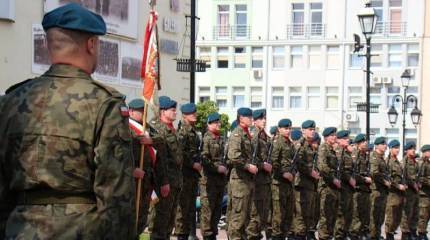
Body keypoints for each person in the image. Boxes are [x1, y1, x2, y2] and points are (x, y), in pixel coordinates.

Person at [0, 3, 136, 239]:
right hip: (81, 229)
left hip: (19, 230)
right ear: (92, 44)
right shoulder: (104, 104)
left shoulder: (10, 101)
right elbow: (116, 196)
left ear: (47, 45)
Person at [147, 96, 183, 240]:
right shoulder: (157, 128)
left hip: (175, 181)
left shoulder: (172, 129)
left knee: (169, 223)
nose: (175, 113)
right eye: (172, 110)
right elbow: (159, 159)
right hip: (164, 182)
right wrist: (163, 182)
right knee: (159, 224)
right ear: (163, 112)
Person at [128, 98, 164, 234]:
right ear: (131, 111)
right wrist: (131, 170)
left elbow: (162, 141)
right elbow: (119, 154)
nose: (143, 114)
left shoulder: (147, 128)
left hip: (147, 178)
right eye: (140, 111)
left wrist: (151, 140)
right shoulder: (126, 128)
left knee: (142, 216)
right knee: (132, 216)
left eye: (144, 111)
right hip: (132, 180)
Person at [227, 107, 257, 240]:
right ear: (241, 118)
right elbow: (233, 155)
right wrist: (247, 166)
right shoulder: (237, 134)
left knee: (246, 217)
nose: (251, 119)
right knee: (238, 218)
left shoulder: (246, 134)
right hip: (240, 181)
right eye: (249, 117)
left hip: (247, 181)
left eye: (251, 117)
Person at [175, 103, 201, 240]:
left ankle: (187, 235)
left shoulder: (192, 131)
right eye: (192, 113)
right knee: (182, 211)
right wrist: (192, 164)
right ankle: (181, 236)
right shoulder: (182, 132)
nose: (195, 115)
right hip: (185, 175)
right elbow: (180, 153)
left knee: (190, 210)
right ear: (184, 115)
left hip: (192, 176)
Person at [200, 113, 228, 240]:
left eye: (219, 122)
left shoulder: (220, 138)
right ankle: (207, 236)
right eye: (215, 122)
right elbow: (204, 159)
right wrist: (217, 168)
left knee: (216, 212)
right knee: (208, 213)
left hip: (219, 182)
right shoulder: (206, 139)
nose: (218, 124)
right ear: (209, 124)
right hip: (209, 182)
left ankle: (213, 235)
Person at [292, 120, 320, 240]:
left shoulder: (310, 146)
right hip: (301, 185)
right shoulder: (300, 145)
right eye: (310, 129)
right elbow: (297, 162)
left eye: (313, 129)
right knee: (301, 217)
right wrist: (311, 172)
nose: (312, 132)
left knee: (308, 216)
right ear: (303, 131)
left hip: (310, 185)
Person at [247, 109, 273, 240]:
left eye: (265, 118)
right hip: (256, 180)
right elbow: (250, 157)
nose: (264, 121)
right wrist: (263, 165)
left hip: (265, 181)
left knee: (263, 214)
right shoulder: (253, 136)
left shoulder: (265, 137)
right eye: (261, 118)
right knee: (255, 215)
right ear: (255, 121)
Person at [270, 119, 295, 240]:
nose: (288, 130)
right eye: (286, 128)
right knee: (278, 217)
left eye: (290, 128)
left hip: (288, 184)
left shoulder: (289, 143)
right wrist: (283, 173)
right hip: (278, 183)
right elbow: (273, 162)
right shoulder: (277, 142)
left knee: (288, 216)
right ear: (279, 129)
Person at [318, 127, 340, 240]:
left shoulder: (332, 150)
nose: (334, 137)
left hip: (333, 188)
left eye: (335, 135)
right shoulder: (323, 148)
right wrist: (333, 179)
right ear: (326, 137)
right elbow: (322, 167)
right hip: (326, 187)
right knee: (325, 217)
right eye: (332, 135)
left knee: (332, 217)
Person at [350, 134, 372, 240]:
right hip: (357, 189)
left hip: (366, 189)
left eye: (366, 141)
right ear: (358, 144)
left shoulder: (366, 155)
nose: (365, 143)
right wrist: (364, 179)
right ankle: (354, 235)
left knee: (365, 214)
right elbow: (353, 173)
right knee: (356, 215)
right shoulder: (354, 155)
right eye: (363, 142)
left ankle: (361, 233)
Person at [334, 131, 356, 240]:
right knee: (340, 214)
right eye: (345, 137)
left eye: (348, 137)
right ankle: (338, 236)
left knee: (348, 213)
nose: (348, 139)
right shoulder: (338, 151)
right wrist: (349, 179)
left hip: (348, 188)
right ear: (339, 139)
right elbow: (340, 170)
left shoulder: (345, 152)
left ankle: (343, 234)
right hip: (341, 187)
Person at [384, 140, 406, 240]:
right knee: (391, 217)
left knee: (398, 218)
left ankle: (392, 232)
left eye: (398, 148)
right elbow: (387, 178)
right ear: (391, 148)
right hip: (392, 194)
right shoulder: (387, 161)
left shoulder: (398, 162)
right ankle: (389, 235)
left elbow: (401, 176)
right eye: (395, 148)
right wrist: (397, 186)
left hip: (400, 194)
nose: (397, 150)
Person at [369, 137, 390, 240]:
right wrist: (384, 181)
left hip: (383, 191)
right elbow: (374, 173)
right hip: (376, 191)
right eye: (383, 144)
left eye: (385, 143)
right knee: (374, 216)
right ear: (377, 145)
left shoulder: (382, 158)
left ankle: (377, 235)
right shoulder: (374, 157)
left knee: (380, 216)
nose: (385, 145)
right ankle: (373, 236)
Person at [401, 142, 420, 240]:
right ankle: (405, 234)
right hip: (408, 191)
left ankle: (413, 231)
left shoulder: (415, 162)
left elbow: (417, 175)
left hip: (416, 192)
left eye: (414, 148)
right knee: (407, 213)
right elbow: (404, 177)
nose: (413, 150)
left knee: (415, 212)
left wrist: (418, 183)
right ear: (406, 150)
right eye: (411, 148)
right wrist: (413, 184)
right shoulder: (404, 162)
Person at [417, 144, 430, 240]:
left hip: (428, 193)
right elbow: (420, 178)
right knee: (423, 215)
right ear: (425, 152)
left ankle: (424, 232)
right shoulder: (421, 163)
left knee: (427, 214)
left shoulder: (427, 163)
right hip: (423, 194)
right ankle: (421, 233)